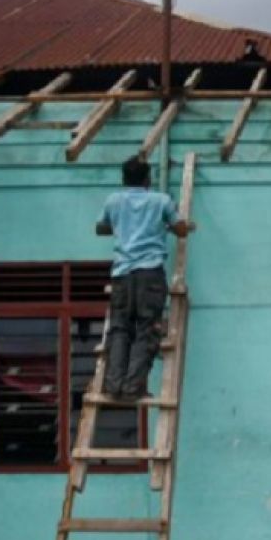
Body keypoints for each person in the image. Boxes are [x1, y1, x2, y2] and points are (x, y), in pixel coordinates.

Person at [95, 156, 192, 399]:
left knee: (119, 329)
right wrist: (182, 226)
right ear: (148, 179)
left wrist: (122, 226)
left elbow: (100, 228)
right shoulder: (161, 201)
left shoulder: (114, 201)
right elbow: (180, 229)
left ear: (124, 179)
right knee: (147, 330)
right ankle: (133, 387)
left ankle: (113, 386)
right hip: (149, 273)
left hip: (122, 273)